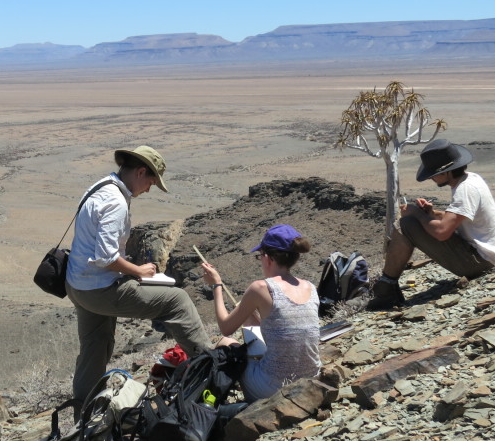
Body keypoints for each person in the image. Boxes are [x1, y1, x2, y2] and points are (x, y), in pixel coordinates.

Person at [65, 146, 212, 406]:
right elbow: (107, 258)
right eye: (151, 183)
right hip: (99, 288)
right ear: (141, 172)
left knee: (95, 346)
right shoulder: (115, 201)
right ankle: (211, 368)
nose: (148, 190)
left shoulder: (100, 187)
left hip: (78, 285)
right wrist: (139, 271)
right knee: (177, 300)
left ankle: (85, 412)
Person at [371, 138, 495, 309]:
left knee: (407, 224)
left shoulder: (465, 190)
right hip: (488, 257)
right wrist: (430, 213)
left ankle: (386, 289)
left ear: (447, 172)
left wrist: (417, 214)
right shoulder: (471, 179)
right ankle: (388, 286)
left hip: (480, 263)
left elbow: (442, 232)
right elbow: (458, 217)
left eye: (433, 173)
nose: (432, 178)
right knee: (414, 220)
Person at [200, 224, 321, 401]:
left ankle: (210, 403)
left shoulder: (261, 288)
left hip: (275, 387)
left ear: (268, 258)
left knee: (226, 342)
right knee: (245, 309)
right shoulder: (310, 287)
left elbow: (225, 328)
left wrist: (216, 286)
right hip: (311, 381)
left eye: (259, 256)